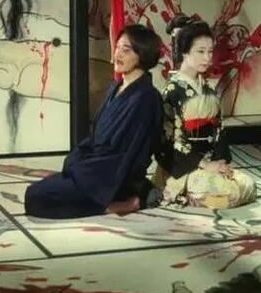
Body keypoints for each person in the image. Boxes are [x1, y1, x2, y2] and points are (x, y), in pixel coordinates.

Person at [24, 24, 163, 219]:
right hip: (93, 170)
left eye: (126, 49)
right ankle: (108, 199)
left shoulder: (147, 98)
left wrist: (88, 174)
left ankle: (120, 203)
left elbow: (132, 153)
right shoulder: (115, 88)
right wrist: (76, 163)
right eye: (117, 47)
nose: (117, 54)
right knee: (34, 192)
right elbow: (96, 136)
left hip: (112, 176)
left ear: (143, 54)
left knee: (38, 197)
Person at [155, 15, 257, 209]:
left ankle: (196, 195)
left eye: (210, 51)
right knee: (230, 194)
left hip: (209, 163)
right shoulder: (172, 91)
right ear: (184, 52)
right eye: (200, 51)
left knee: (248, 185)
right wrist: (204, 164)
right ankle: (180, 193)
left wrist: (221, 163)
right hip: (183, 166)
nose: (207, 57)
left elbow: (219, 132)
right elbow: (169, 142)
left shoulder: (208, 90)